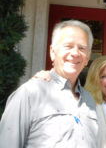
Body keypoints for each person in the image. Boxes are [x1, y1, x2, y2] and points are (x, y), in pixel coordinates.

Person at [0, 20, 98, 148]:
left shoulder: (89, 100)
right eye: (68, 46)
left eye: (82, 48)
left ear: (87, 58)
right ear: (52, 52)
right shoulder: (29, 94)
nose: (75, 53)